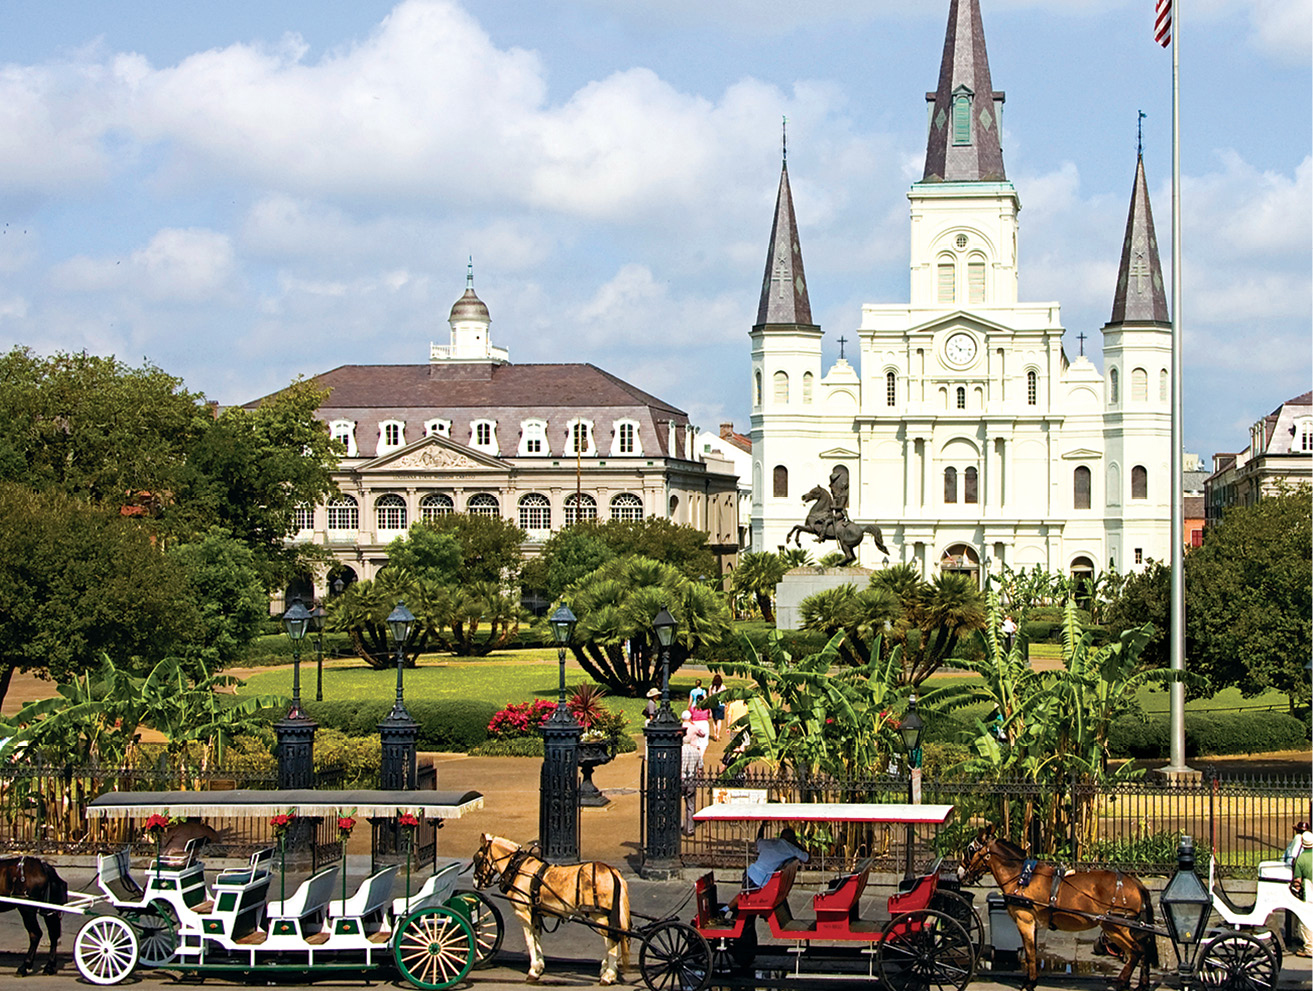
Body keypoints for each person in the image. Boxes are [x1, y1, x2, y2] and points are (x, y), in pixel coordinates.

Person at [744, 823, 809, 889]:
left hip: (749, 874)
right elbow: (807, 859)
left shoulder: (768, 843)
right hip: (762, 881)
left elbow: (759, 839)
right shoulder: (791, 848)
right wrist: (796, 843)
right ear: (792, 839)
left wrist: (762, 826)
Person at [680, 715, 704, 836]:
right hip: (691, 779)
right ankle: (690, 828)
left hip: (681, 778)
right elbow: (700, 765)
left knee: (677, 802)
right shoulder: (696, 751)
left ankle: (679, 825)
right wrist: (700, 774)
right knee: (690, 804)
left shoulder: (678, 751)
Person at [1293, 830, 1313, 957]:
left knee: (1306, 920)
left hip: (1310, 891)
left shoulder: (1301, 859)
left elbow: (1297, 881)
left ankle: (1310, 948)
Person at [707, 674, 726, 741]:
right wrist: (726, 705)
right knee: (719, 720)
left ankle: (715, 733)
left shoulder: (711, 687)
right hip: (721, 705)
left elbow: (709, 697)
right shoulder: (723, 687)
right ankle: (718, 734)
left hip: (713, 705)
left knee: (714, 720)